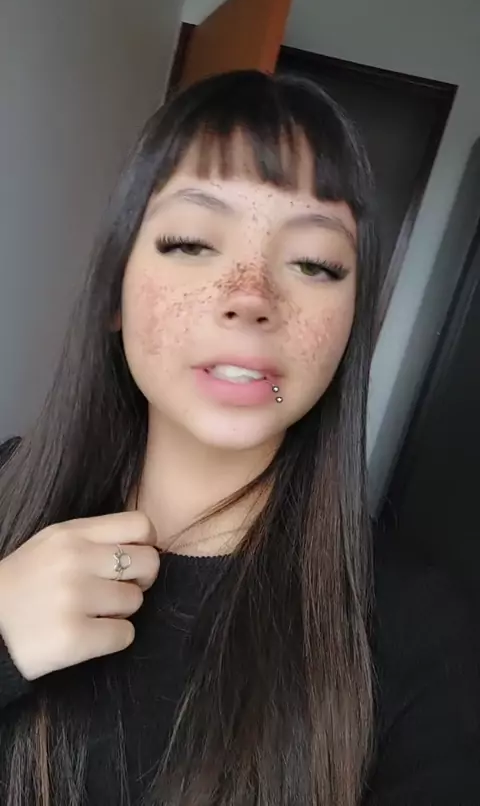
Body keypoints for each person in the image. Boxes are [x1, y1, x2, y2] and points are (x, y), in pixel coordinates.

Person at [0, 70, 478, 806]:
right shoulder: (6, 488)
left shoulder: (423, 633)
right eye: (193, 243)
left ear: (348, 331)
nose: (251, 296)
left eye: (314, 264)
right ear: (114, 296)